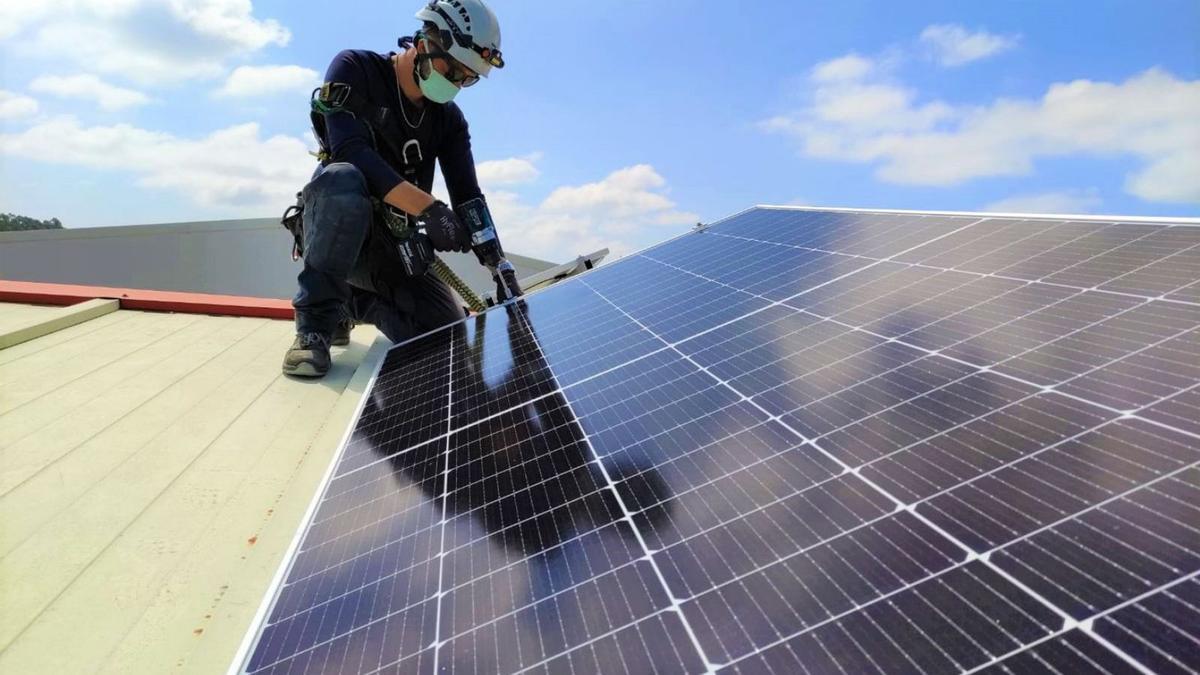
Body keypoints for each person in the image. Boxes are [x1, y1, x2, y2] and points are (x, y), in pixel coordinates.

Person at [283, 0, 506, 378]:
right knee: (342, 178)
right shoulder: (355, 69)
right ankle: (313, 330)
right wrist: (430, 209)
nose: (454, 84)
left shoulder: (448, 121)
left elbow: (468, 194)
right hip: (340, 229)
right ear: (424, 42)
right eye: (451, 69)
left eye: (466, 78)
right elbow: (350, 152)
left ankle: (352, 304)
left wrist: (499, 266)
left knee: (444, 336)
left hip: (396, 242)